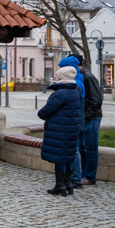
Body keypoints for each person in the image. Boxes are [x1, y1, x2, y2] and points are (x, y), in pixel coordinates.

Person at [37, 66, 83, 196]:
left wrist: (40, 113)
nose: (55, 78)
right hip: (71, 129)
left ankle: (60, 185)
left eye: (57, 75)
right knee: (67, 156)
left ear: (62, 77)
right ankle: (68, 184)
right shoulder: (76, 90)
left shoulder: (60, 93)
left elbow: (46, 111)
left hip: (60, 129)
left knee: (60, 158)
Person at [70, 55, 103, 186]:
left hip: (91, 118)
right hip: (84, 118)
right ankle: (83, 174)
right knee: (82, 148)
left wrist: (86, 117)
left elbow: (96, 100)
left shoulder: (88, 77)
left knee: (90, 148)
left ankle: (89, 177)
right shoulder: (79, 76)